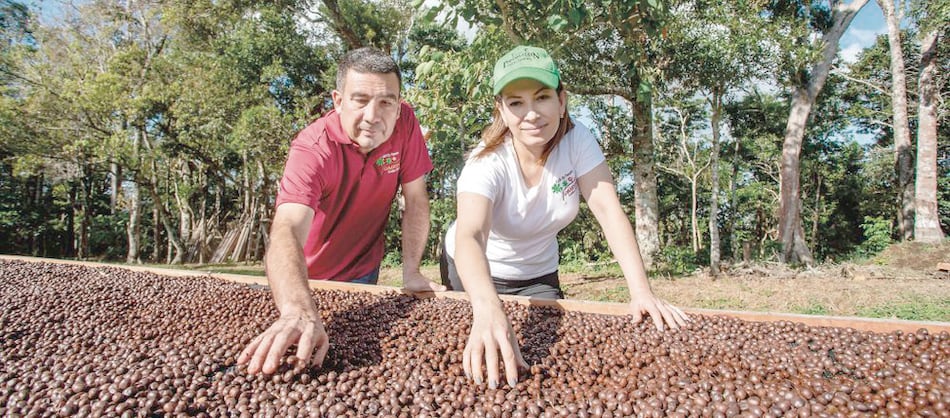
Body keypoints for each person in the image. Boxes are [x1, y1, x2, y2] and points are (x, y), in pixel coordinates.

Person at [441, 45, 690, 389]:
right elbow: (470, 235)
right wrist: (487, 308)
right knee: (478, 357)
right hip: (473, 266)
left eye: (541, 97)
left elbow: (608, 210)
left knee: (546, 359)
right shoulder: (487, 163)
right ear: (501, 110)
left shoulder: (577, 141)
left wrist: (641, 292)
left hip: (538, 271)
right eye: (516, 103)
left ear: (561, 100)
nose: (531, 114)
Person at [239, 47, 445, 375]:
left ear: (398, 102)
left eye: (386, 102)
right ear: (338, 101)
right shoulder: (312, 148)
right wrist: (296, 308)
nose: (373, 116)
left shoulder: (405, 123)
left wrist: (412, 270)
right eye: (360, 100)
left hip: (364, 272)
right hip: (305, 278)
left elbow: (416, 200)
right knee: (296, 361)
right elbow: (287, 227)